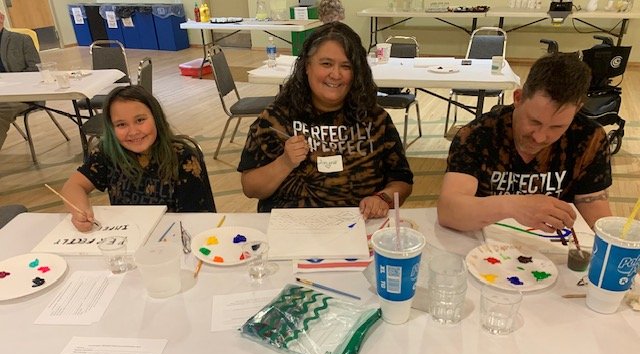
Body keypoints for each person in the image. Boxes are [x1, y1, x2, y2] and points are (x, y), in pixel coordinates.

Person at [238, 22, 413, 220]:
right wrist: (285, 162)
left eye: (346, 66)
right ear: (307, 66)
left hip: (360, 226)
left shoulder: (375, 119)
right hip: (290, 228)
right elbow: (250, 188)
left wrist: (383, 198)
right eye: (326, 64)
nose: (336, 75)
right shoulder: (275, 119)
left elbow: (403, 181)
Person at [437, 52, 612, 232]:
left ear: (577, 110)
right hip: (485, 240)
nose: (540, 137)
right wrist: (513, 206)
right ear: (518, 98)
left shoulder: (589, 138)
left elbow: (597, 220)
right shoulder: (477, 134)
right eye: (534, 121)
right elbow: (449, 211)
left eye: (557, 127)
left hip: (554, 243)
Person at [62, 85, 215, 232]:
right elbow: (73, 186)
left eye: (140, 120)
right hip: (129, 236)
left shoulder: (183, 158)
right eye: (121, 124)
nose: (133, 131)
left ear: (156, 118)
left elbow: (198, 219)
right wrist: (80, 211)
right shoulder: (107, 153)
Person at [0, 10, 41, 150]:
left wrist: (10, 83)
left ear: (1, 18)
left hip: (21, 95)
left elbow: (35, 70)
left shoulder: (21, 40)